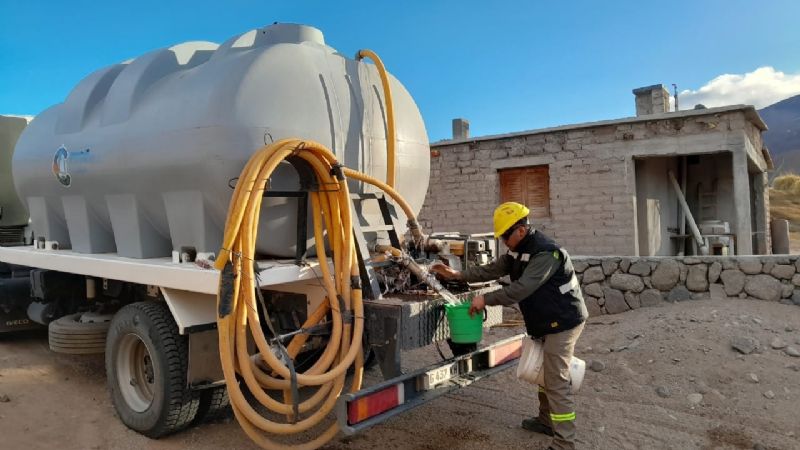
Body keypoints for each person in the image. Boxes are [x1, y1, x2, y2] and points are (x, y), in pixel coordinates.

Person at [430, 201, 588, 450]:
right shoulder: (518, 251)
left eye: (505, 235)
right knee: (544, 374)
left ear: (521, 231)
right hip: (546, 320)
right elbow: (492, 270)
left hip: (563, 322)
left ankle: (565, 443)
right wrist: (457, 275)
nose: (504, 241)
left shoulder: (546, 253)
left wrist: (485, 299)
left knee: (555, 380)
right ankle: (546, 422)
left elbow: (521, 289)